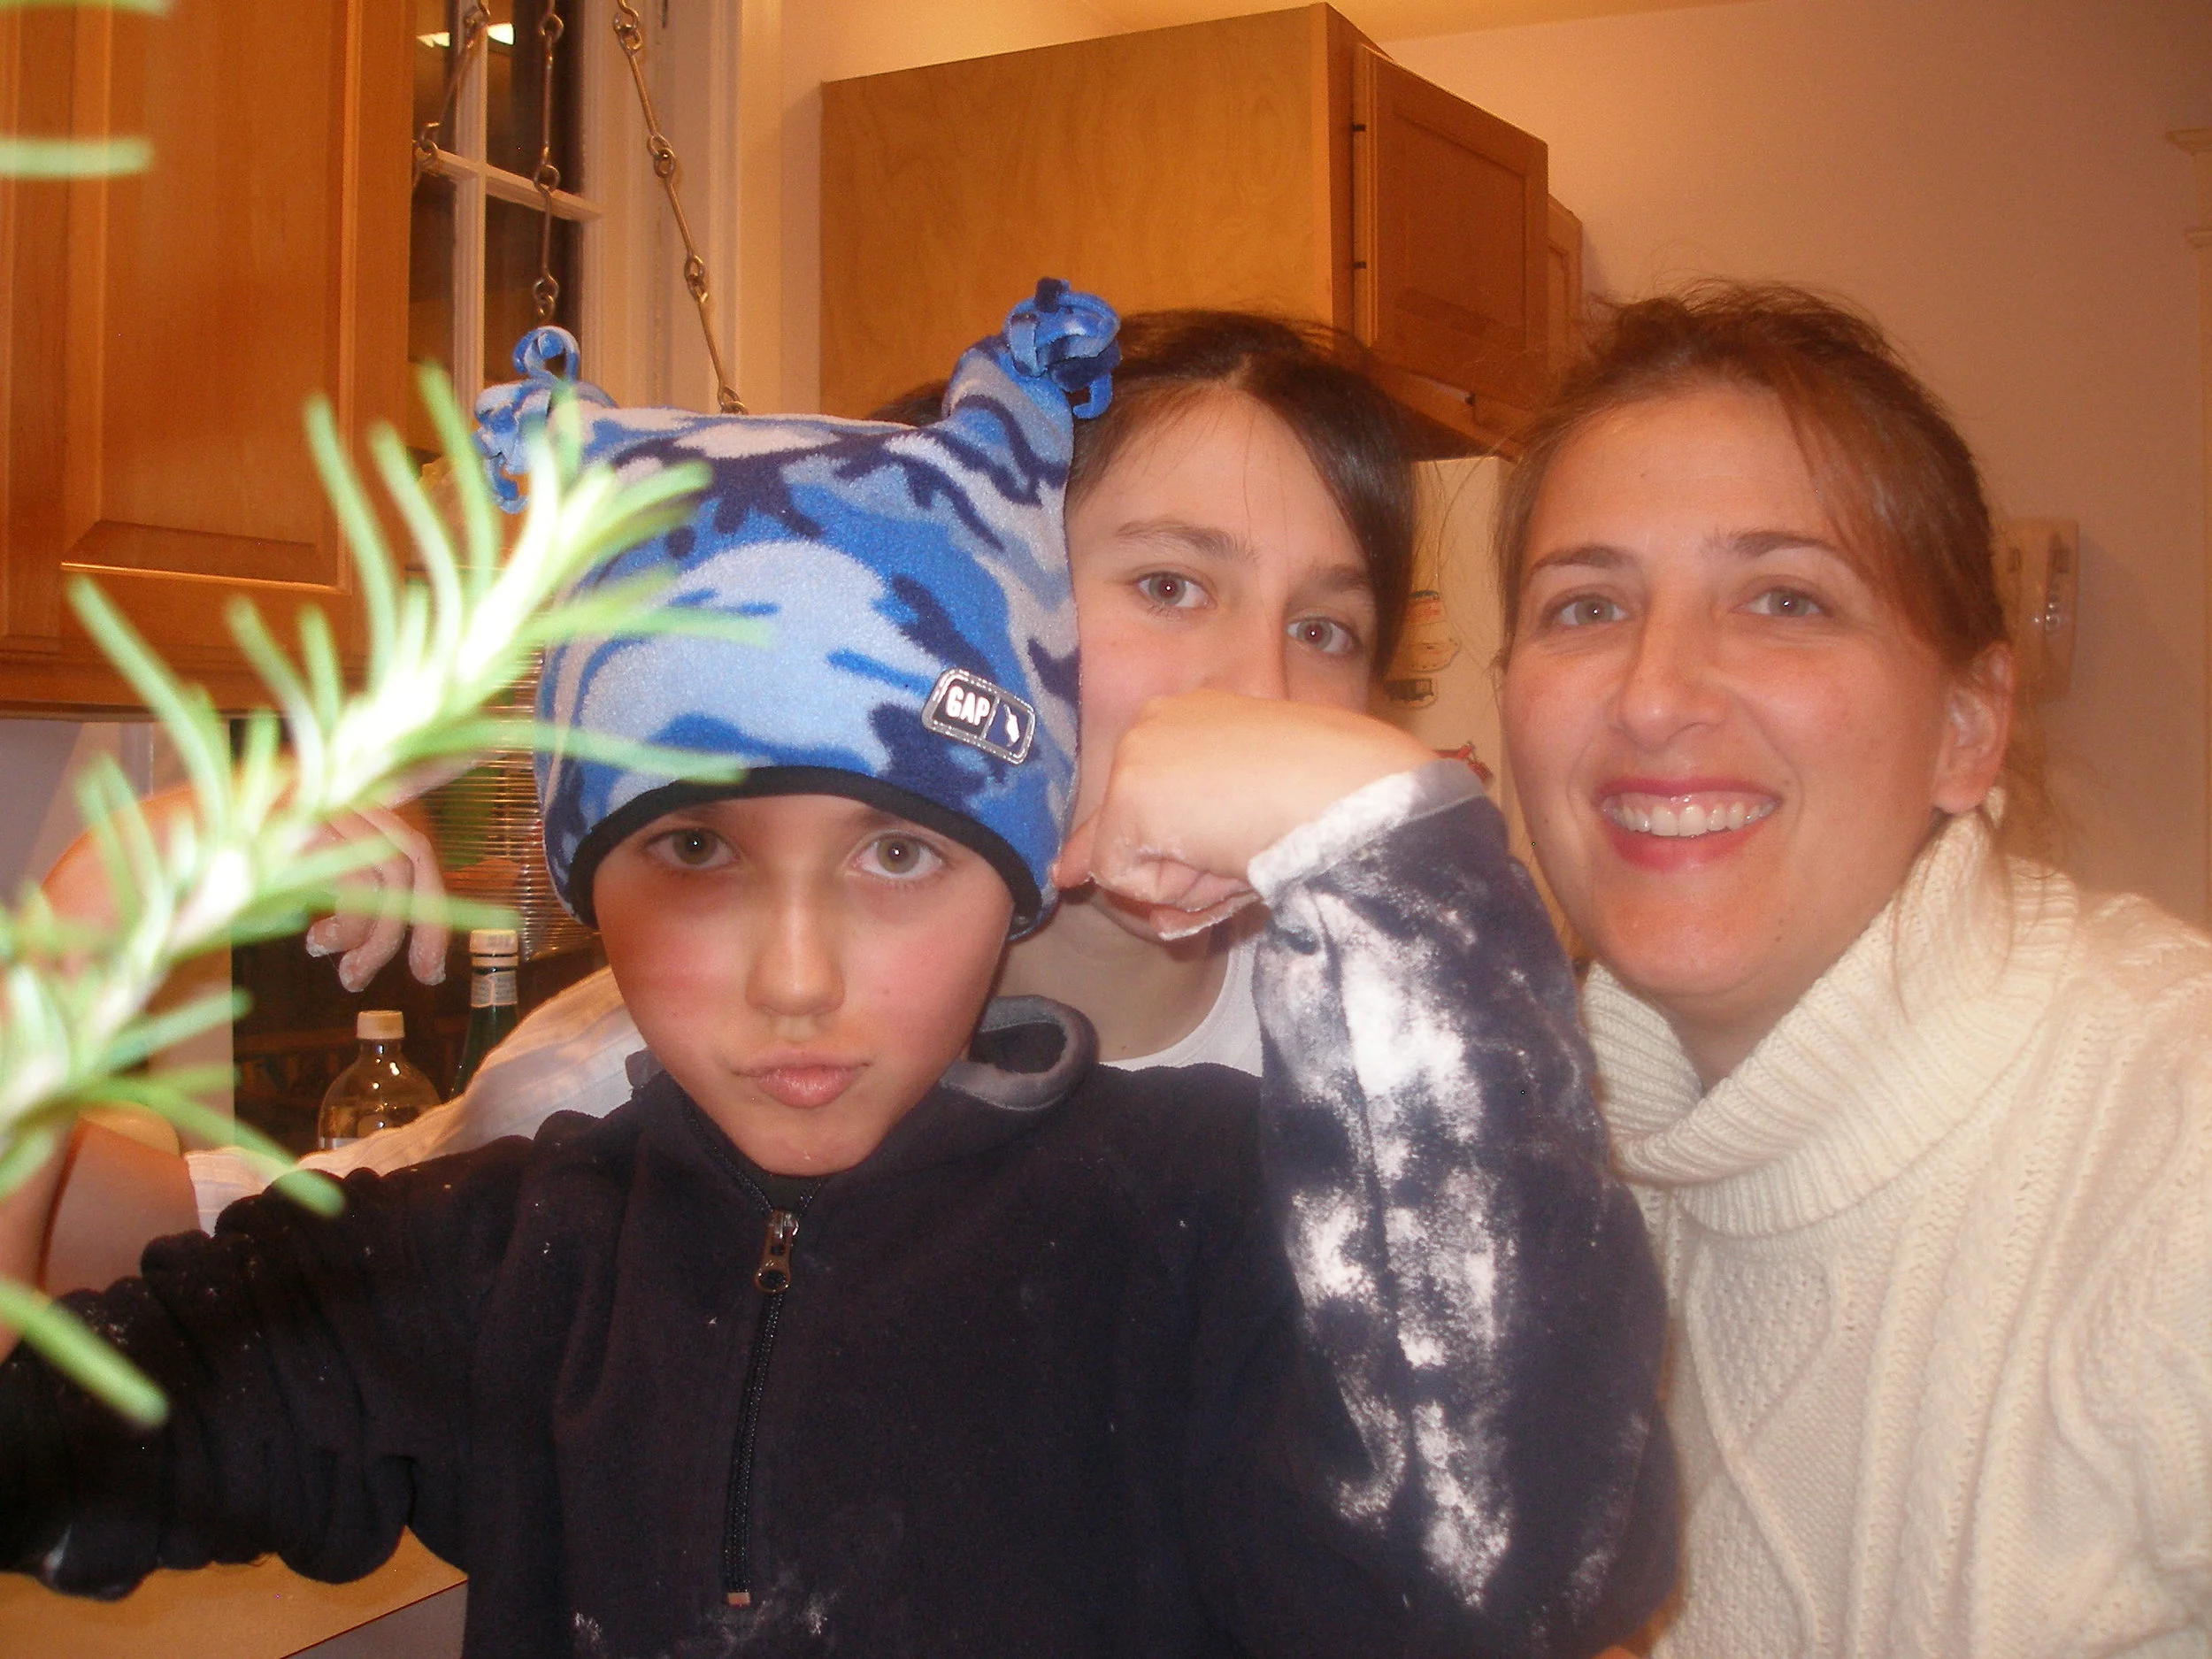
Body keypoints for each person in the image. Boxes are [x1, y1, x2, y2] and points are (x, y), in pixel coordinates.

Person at [0, 286, 1674, 1656]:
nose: (795, 977)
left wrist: (1394, 853)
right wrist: (64, 962)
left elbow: (1504, 1560)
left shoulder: (1207, 1218)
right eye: (700, 851)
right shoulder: (519, 1243)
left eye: (896, 855)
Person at [35, 305, 1425, 1243]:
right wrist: (79, 935)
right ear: (969, 613)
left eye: (1326, 627)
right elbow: (123, 1246)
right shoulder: (685, 1063)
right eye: (1172, 583)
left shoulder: (1403, 1067)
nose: (1262, 689)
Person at [1496, 281, 2212, 1655]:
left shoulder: (2170, 1150)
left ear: (1967, 723)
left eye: (1782, 598)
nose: (1654, 693)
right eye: (1587, 605)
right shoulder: (1551, 1177)